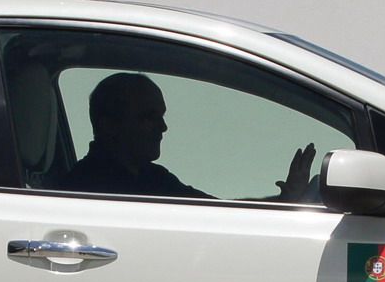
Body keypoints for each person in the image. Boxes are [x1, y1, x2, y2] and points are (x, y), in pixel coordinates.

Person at [59, 72, 316, 201]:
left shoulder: (152, 177)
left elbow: (220, 214)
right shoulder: (85, 189)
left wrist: (285, 199)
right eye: (149, 117)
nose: (163, 128)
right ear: (109, 125)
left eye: (161, 116)